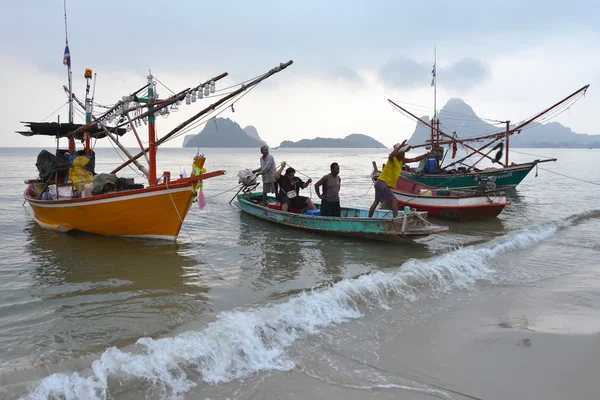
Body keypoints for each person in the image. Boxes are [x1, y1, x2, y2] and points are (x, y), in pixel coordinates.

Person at [369, 140, 433, 218]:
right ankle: (395, 219)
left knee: (376, 202)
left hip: (379, 183)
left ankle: (369, 218)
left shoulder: (402, 160)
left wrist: (427, 154)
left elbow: (416, 159)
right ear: (398, 153)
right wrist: (400, 146)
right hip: (382, 183)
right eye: (402, 153)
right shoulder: (392, 159)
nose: (403, 154)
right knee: (394, 200)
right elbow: (390, 155)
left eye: (404, 153)